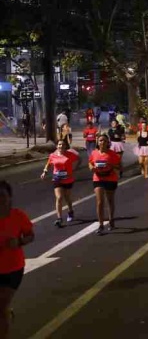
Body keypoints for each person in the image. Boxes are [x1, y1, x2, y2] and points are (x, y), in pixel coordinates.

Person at [0, 180, 34, 339]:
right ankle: (6, 313)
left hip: (12, 269)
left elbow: (30, 235)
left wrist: (19, 242)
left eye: (2, 196)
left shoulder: (18, 216)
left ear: (9, 197)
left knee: (1, 307)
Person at [41, 139, 80, 227]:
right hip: (57, 179)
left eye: (62, 145)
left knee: (67, 198)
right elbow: (48, 163)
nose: (61, 146)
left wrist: (74, 169)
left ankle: (70, 211)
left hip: (68, 179)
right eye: (59, 144)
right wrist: (45, 171)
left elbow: (78, 159)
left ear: (65, 146)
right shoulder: (52, 155)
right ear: (57, 146)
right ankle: (59, 218)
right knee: (59, 197)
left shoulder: (70, 155)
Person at [88, 134, 121, 234]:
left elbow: (119, 167)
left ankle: (111, 220)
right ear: (98, 142)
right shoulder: (94, 153)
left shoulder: (112, 154)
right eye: (100, 140)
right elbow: (90, 162)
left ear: (108, 143)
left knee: (110, 200)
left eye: (104, 141)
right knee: (100, 202)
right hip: (98, 178)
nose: (102, 142)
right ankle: (101, 224)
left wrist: (110, 165)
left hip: (110, 179)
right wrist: (91, 167)